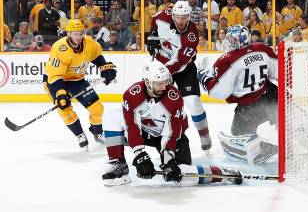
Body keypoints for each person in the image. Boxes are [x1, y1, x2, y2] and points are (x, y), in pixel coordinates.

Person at [101, 61, 242, 186]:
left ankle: (221, 174)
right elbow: (132, 126)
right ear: (148, 82)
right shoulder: (132, 94)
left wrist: (168, 160)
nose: (164, 87)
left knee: (183, 175)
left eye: (166, 82)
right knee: (111, 116)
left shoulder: (173, 98)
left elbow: (172, 134)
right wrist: (140, 156)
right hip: (143, 132)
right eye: (159, 83)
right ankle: (118, 164)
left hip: (172, 136)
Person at [196, 25, 278, 165]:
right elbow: (277, 73)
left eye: (234, 38)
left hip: (249, 107)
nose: (230, 41)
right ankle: (304, 136)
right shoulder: (263, 49)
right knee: (287, 119)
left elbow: (219, 92)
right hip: (271, 96)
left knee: (238, 132)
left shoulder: (227, 59)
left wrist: (204, 77)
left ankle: (262, 149)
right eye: (230, 38)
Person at [145, 0, 211, 152]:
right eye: (178, 17)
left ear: (189, 16)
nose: (181, 21)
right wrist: (152, 35)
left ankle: (204, 133)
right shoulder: (163, 16)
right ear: (173, 14)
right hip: (161, 66)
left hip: (184, 70)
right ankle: (160, 137)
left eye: (185, 17)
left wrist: (163, 71)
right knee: (155, 104)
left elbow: (180, 62)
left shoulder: (192, 35)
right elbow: (154, 20)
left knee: (193, 102)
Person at [43, 19, 117, 149]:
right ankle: (79, 134)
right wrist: (60, 94)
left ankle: (98, 133)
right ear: (68, 33)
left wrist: (105, 68)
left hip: (77, 80)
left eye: (80, 33)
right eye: (75, 33)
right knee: (64, 108)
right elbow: (55, 76)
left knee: (97, 108)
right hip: (55, 81)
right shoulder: (60, 48)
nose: (78, 37)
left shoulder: (89, 43)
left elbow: (97, 57)